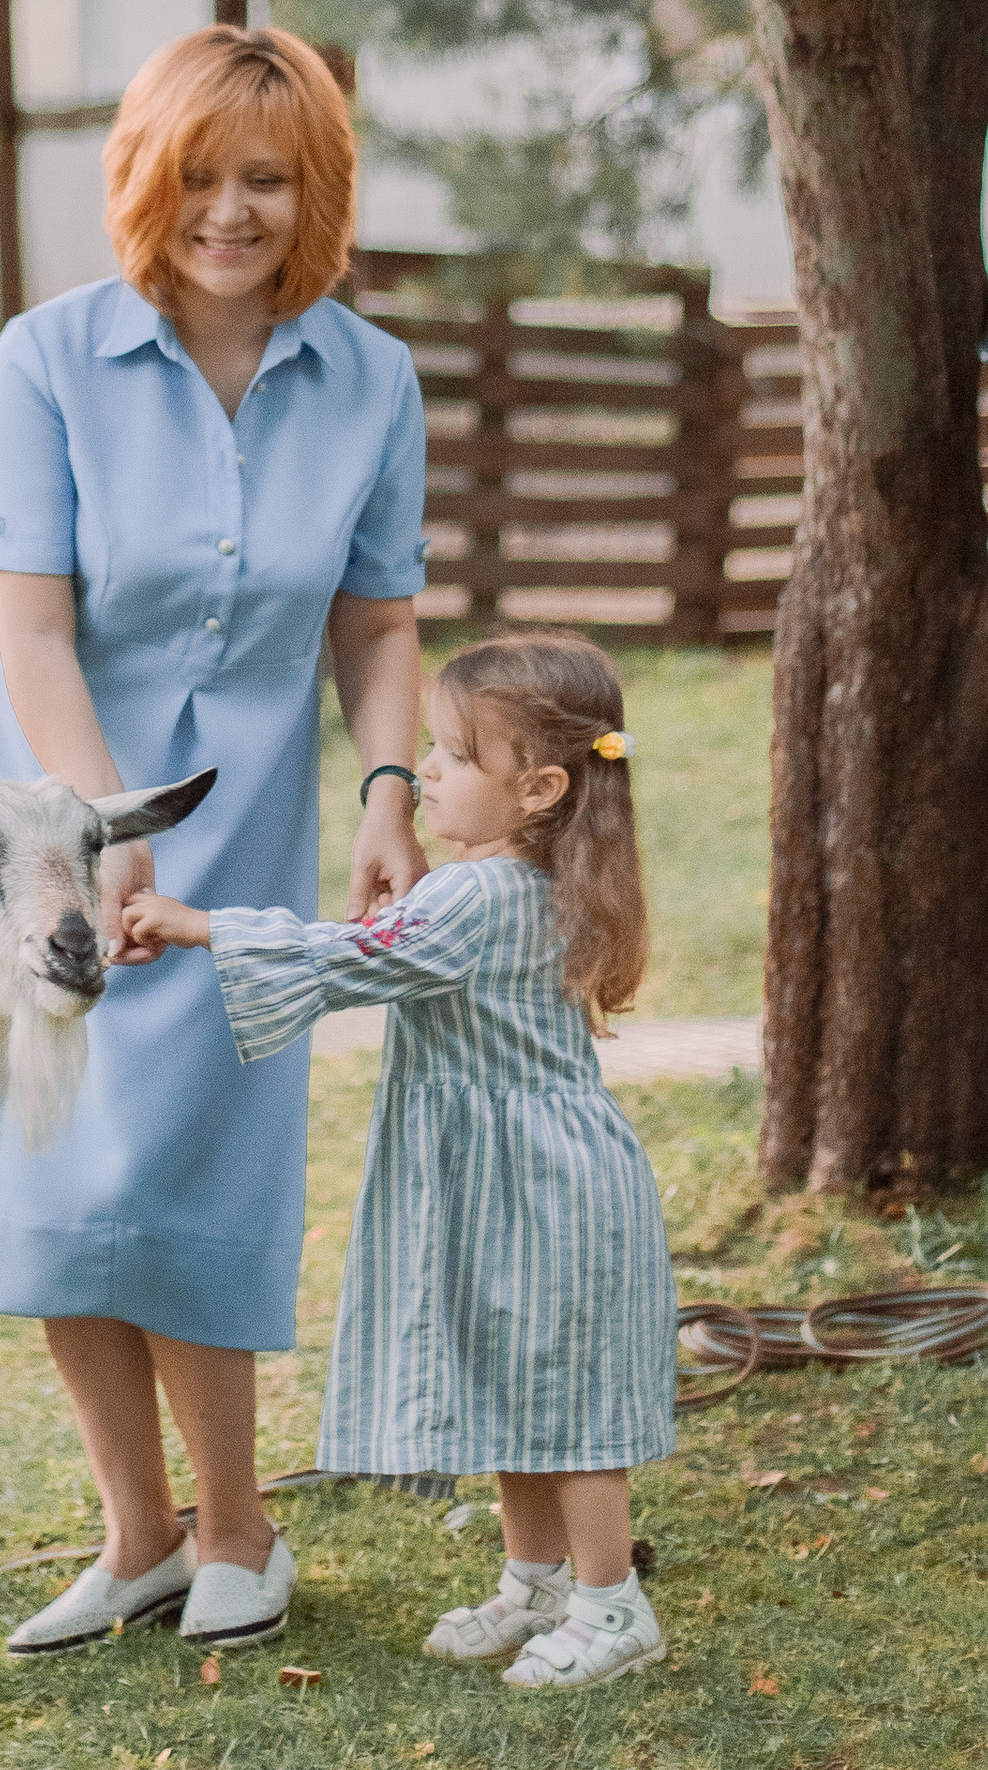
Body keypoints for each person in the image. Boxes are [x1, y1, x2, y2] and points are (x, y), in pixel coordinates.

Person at [0, 23, 428, 1655]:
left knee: (188, 1145)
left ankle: (240, 1529)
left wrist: (389, 791)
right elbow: (32, 629)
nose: (230, 212)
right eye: (198, 177)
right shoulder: (47, 358)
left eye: (268, 180)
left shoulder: (371, 382)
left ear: (317, 193)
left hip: (233, 815)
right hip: (37, 800)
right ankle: (139, 1537)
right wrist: (100, 835)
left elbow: (378, 622)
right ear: (144, 181)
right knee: (53, 1159)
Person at [126, 630, 678, 1692]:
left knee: (566, 1402)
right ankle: (537, 1582)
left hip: (540, 1187)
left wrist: (201, 927)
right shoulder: (522, 883)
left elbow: (350, 958)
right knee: (518, 1379)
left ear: (540, 789)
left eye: (456, 756)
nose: (425, 771)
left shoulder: (474, 898)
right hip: (530, 1175)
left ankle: (613, 1605)